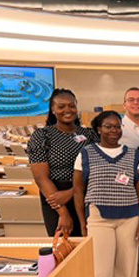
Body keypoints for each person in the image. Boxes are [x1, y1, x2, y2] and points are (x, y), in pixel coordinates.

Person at [71, 111, 139, 277]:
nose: (114, 131)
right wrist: (82, 222)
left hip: (130, 216)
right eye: (108, 127)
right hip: (99, 218)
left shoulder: (133, 154)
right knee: (101, 274)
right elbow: (78, 190)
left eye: (117, 127)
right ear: (98, 129)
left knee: (126, 270)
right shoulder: (85, 153)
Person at [28, 88, 98, 237]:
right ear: (53, 109)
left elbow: (100, 168)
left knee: (90, 247)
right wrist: (63, 212)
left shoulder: (90, 134)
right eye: (61, 106)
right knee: (64, 249)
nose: (67, 110)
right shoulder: (42, 136)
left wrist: (72, 191)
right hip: (56, 197)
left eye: (71, 105)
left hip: (88, 194)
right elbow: (41, 178)